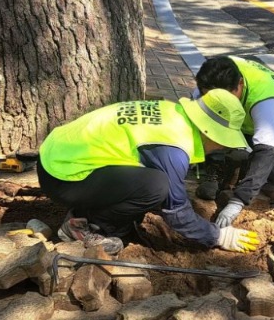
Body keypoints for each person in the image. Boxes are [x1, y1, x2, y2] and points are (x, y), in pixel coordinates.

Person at [37, 89, 261, 255]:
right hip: (62, 176)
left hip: (58, 158)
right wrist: (218, 235)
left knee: (152, 185)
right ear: (209, 132)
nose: (223, 146)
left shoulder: (173, 113)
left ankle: (92, 211)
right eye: (223, 141)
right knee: (156, 187)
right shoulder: (174, 146)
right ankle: (84, 228)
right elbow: (177, 211)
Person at [193, 56, 274, 228]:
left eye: (228, 98)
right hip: (239, 125)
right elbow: (198, 124)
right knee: (210, 187)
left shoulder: (267, 100)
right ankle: (218, 166)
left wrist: (238, 201)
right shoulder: (210, 80)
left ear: (240, 84)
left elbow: (265, 151)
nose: (222, 103)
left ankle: (249, 169)